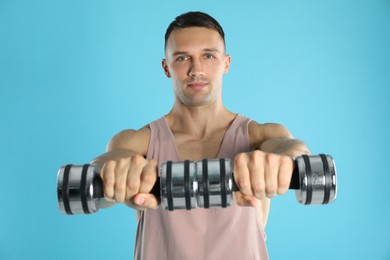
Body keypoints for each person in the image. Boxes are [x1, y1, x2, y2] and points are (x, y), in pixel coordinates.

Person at [92, 11, 310, 260]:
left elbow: (293, 149)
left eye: (208, 56)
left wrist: (284, 162)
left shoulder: (259, 138)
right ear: (166, 67)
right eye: (183, 58)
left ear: (226, 63)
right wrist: (110, 173)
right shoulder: (137, 142)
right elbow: (101, 172)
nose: (196, 70)